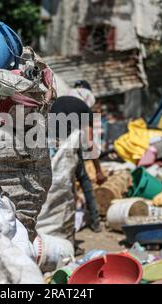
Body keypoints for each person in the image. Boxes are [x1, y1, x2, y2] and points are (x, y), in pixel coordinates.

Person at [50, 95, 107, 233]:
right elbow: (89, 143)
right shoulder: (86, 111)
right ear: (94, 105)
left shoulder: (62, 102)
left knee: (55, 184)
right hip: (67, 145)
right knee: (84, 181)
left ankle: (53, 225)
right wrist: (98, 170)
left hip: (49, 142)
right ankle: (95, 222)